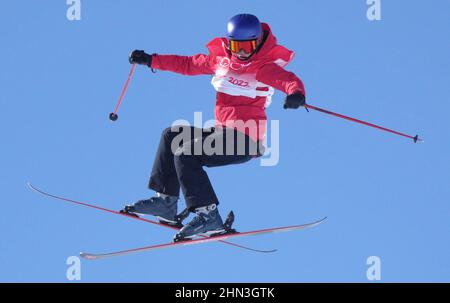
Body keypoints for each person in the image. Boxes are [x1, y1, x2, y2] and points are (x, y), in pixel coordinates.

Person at [120, 14, 306, 242]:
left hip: (246, 138)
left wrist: (296, 95)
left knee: (186, 152)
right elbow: (187, 64)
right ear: (229, 43)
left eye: (248, 46)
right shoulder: (221, 60)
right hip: (223, 131)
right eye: (237, 45)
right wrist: (151, 60)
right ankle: (166, 203)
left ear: (257, 42)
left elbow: (288, 80)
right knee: (172, 136)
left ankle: (209, 216)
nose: (242, 52)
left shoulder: (264, 66)